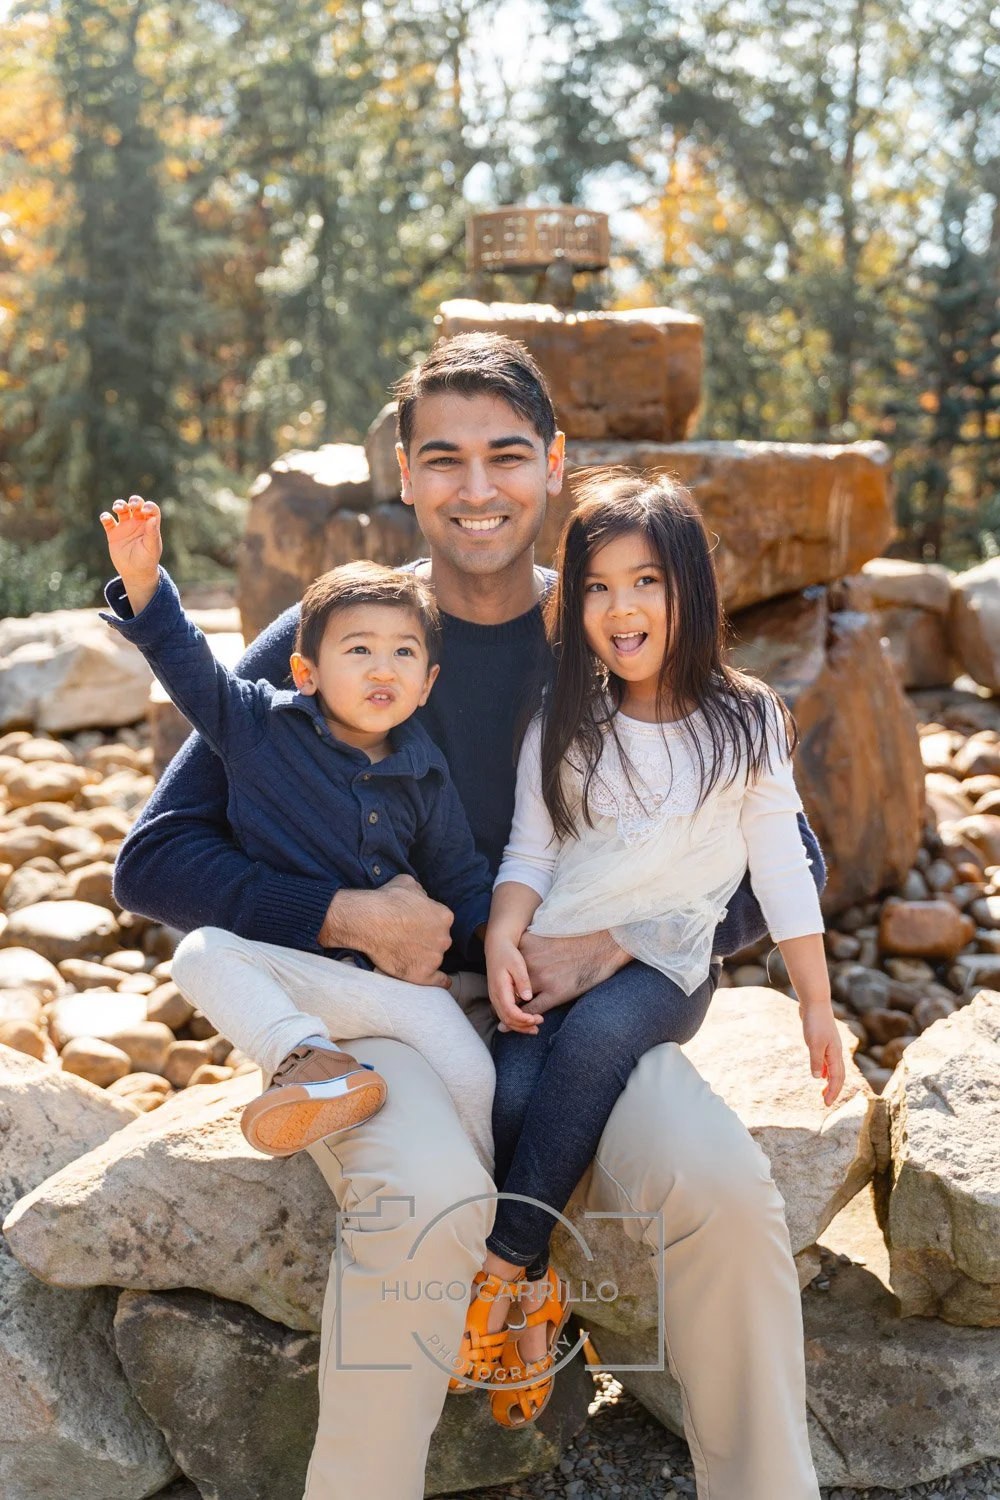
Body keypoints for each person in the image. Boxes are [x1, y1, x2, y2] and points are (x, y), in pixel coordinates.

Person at [112, 331, 827, 1500]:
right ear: (404, 472)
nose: (476, 488)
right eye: (443, 459)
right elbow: (153, 860)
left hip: (591, 1026)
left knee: (719, 1188)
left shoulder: (615, 628)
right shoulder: (338, 637)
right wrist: (343, 912)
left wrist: (618, 943)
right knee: (426, 1210)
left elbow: (784, 853)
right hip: (399, 1026)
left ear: (554, 463)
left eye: (505, 455)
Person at [447, 469, 843, 1428]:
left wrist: (816, 1004)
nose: (620, 608)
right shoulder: (567, 717)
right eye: (596, 586)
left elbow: (785, 868)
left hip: (667, 967)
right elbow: (531, 849)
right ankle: (541, 1288)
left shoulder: (744, 717)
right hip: (553, 944)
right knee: (513, 1086)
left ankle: (499, 1273)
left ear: (689, 590)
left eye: (646, 582)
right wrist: (504, 931)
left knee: (591, 1049)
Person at [98, 503, 496, 1170]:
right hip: (298, 978)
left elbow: (460, 878)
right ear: (306, 672)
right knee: (200, 954)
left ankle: (503, 1230)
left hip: (396, 991)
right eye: (358, 650)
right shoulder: (255, 725)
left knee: (475, 1079)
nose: (382, 670)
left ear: (427, 684)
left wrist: (502, 949)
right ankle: (307, 1063)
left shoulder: (426, 772)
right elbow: (189, 665)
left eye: (404, 654)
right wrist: (145, 581)